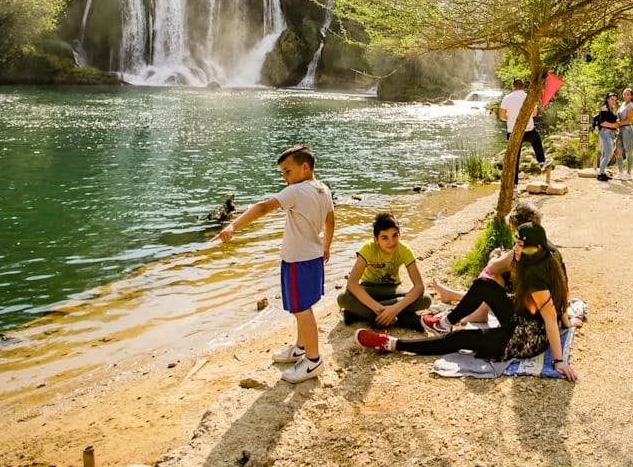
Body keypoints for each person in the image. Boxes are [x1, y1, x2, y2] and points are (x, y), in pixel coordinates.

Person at [356, 222, 579, 382]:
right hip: (520, 319)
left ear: (537, 249)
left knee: (459, 339)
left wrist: (558, 361)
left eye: (522, 246)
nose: (517, 249)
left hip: (523, 338)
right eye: (517, 244)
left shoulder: (536, 277)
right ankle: (445, 321)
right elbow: (560, 300)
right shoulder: (543, 257)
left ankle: (392, 344)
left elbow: (550, 316)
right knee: (484, 285)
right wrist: (567, 322)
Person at [213, 144, 335, 383]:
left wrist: (232, 226)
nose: (285, 177)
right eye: (282, 173)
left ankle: (313, 361)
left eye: (287, 171)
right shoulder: (323, 189)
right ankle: (301, 348)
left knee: (302, 309)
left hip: (297, 260)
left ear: (304, 167)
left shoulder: (296, 191)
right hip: (312, 256)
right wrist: (327, 245)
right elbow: (331, 219)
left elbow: (262, 207)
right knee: (303, 307)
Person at [431, 203, 567, 325]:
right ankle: (454, 295)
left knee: (492, 274)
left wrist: (494, 255)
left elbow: (493, 267)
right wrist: (565, 318)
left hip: (534, 315)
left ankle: (479, 313)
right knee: (496, 280)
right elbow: (564, 281)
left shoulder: (522, 250)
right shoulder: (545, 245)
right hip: (551, 306)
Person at [337, 212, 431, 330]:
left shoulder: (405, 250)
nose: (391, 242)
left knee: (425, 300)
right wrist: (378, 308)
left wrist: (394, 309)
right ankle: (404, 319)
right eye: (384, 237)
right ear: (376, 239)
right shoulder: (368, 249)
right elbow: (352, 284)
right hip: (369, 288)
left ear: (399, 234)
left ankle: (358, 315)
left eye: (395, 235)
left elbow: (419, 287)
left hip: (392, 290)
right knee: (343, 298)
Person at [499, 78, 550, 175]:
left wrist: (509, 118)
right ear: (523, 86)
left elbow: (502, 116)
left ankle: (514, 185)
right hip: (528, 131)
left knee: (515, 158)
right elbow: (534, 114)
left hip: (512, 132)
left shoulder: (507, 98)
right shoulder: (529, 97)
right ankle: (542, 162)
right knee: (536, 142)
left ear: (513, 86)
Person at [594, 92, 621, 182]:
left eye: (615, 100)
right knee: (609, 153)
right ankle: (600, 174)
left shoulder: (611, 108)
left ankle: (602, 173)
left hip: (609, 133)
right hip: (606, 132)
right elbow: (602, 122)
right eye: (612, 99)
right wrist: (614, 125)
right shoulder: (604, 108)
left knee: (605, 154)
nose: (614, 101)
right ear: (607, 100)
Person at [615, 87, 633, 181]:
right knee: (618, 150)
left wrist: (617, 124)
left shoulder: (631, 106)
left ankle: (628, 173)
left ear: (631, 96)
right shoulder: (623, 104)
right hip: (620, 130)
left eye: (628, 94)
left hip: (627, 130)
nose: (625, 95)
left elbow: (629, 119)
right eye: (624, 94)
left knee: (628, 152)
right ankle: (620, 172)